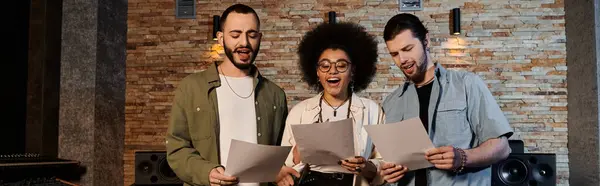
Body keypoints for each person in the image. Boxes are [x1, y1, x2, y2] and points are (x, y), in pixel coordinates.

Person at [165, 4, 297, 186]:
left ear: (259, 38)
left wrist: (279, 169)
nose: (244, 43)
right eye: (235, 35)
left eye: (251, 35)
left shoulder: (275, 95)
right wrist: (206, 172)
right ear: (220, 38)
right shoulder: (191, 88)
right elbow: (176, 147)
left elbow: (278, 152)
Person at [378, 13, 514, 186]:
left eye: (407, 49)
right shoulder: (391, 103)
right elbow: (386, 163)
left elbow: (502, 148)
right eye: (394, 54)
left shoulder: (467, 84)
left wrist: (463, 158)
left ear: (426, 40)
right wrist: (386, 172)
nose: (402, 60)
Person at [277, 22, 385, 186]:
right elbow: (285, 166)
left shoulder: (372, 110)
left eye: (341, 65)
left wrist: (366, 166)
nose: (332, 71)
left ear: (353, 71)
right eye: (325, 65)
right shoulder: (299, 112)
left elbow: (385, 164)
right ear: (317, 72)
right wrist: (299, 152)